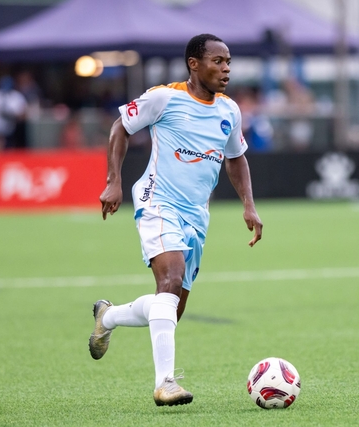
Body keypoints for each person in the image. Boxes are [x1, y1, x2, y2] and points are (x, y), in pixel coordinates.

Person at [89, 34, 263, 407]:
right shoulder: (164, 98)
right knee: (169, 279)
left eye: (228, 62)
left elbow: (236, 158)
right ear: (194, 64)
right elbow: (121, 128)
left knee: (170, 306)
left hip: (196, 215)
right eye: (218, 61)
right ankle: (165, 384)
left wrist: (249, 205)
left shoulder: (230, 111)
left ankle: (109, 316)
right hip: (158, 201)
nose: (226, 69)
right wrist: (114, 181)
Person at [0, 75, 28, 149]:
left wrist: (12, 114)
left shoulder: (17, 96)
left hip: (11, 130)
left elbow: (23, 115)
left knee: (10, 150)